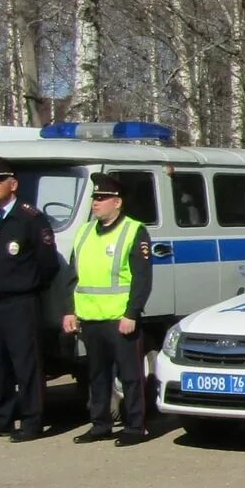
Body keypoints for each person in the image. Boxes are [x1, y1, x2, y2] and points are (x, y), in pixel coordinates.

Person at [0, 156, 61, 442]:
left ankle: (32, 421)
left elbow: (48, 263)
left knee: (26, 363)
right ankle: (0, 419)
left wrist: (29, 286)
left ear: (13, 183)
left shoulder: (29, 218)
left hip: (20, 302)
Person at [62, 173, 153, 446]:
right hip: (91, 318)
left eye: (102, 198)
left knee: (130, 375)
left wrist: (132, 313)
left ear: (118, 202)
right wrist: (70, 311)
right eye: (95, 198)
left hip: (119, 318)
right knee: (97, 375)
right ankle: (100, 424)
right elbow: (72, 276)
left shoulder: (134, 230)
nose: (96, 203)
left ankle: (135, 427)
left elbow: (142, 278)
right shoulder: (85, 231)